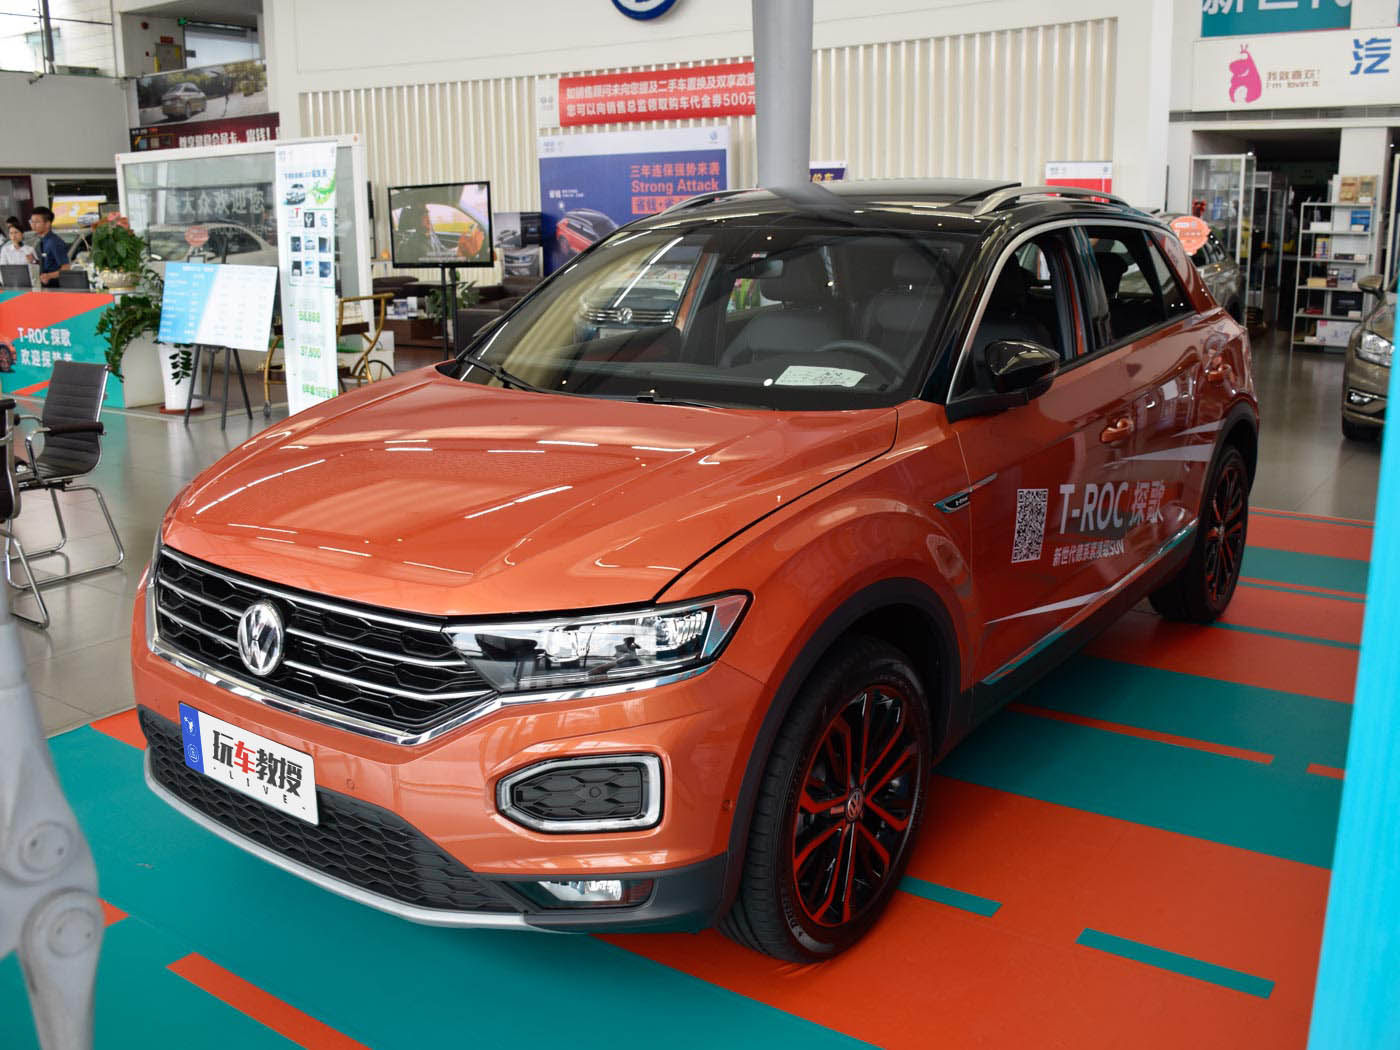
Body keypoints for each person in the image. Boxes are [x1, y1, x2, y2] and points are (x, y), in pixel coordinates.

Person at [28, 206, 70, 287]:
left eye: (37, 222)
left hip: (56, 288)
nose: (33, 225)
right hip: (44, 286)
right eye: (31, 221)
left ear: (47, 224)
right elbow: (47, 263)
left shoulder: (54, 242)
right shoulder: (41, 240)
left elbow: (66, 268)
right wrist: (34, 261)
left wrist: (49, 276)